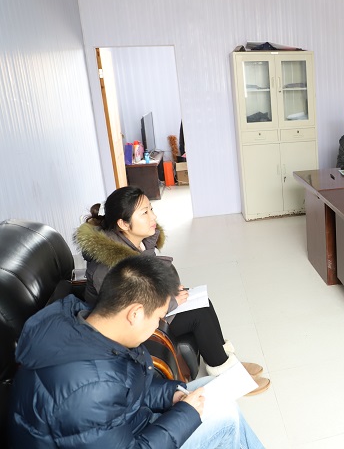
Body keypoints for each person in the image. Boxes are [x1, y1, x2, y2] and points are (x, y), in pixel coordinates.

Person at [9, 254, 264, 448]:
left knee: (212, 391)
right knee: (226, 418)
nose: (158, 326)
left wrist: (170, 396)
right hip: (126, 437)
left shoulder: (87, 325)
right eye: (159, 318)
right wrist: (186, 414)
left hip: (124, 427)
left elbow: (129, 388)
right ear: (135, 313)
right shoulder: (88, 390)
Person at [74, 186, 270, 393]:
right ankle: (228, 376)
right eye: (145, 213)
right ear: (123, 224)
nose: (153, 216)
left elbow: (146, 282)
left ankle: (223, 359)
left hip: (143, 307)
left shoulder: (133, 242)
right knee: (199, 315)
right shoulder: (107, 266)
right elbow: (125, 314)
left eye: (151, 209)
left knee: (202, 301)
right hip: (125, 329)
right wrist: (171, 301)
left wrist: (167, 288)